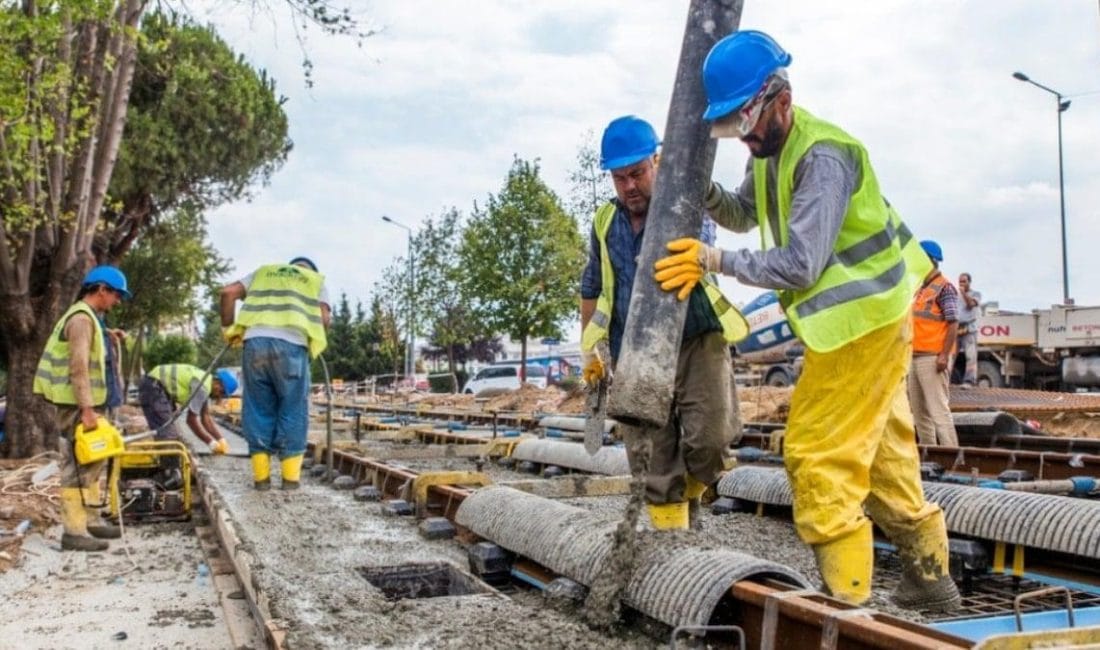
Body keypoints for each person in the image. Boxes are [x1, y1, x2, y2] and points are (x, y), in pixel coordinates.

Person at [652, 30, 960, 610]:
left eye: (744, 125)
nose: (743, 140)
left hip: (862, 325)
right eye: (731, 129)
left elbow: (800, 263)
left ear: (780, 101)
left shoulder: (822, 157)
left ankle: (845, 605)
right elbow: (746, 213)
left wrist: (713, 260)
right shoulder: (773, 151)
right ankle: (931, 581)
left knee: (817, 453)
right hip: (859, 326)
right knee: (884, 459)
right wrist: (704, 190)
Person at [580, 115, 746, 531]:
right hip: (632, 349)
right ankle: (671, 541)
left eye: (637, 173)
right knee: (652, 456)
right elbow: (592, 285)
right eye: (620, 178)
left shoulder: (683, 205)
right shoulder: (604, 221)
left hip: (694, 337)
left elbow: (706, 234)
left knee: (710, 440)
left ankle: (693, 490)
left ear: (656, 161)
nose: (629, 186)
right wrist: (590, 351)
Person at [33, 266, 131, 551]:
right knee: (78, 464)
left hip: (97, 403)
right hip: (81, 407)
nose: (118, 301)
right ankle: (74, 531)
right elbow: (78, 367)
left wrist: (109, 334)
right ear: (101, 289)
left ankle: (91, 519)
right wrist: (87, 409)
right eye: (116, 295)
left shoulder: (92, 320)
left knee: (94, 461)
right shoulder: (80, 320)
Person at [220, 257, 330, 491]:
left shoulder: (264, 272)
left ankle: (261, 481)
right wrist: (312, 339)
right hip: (292, 347)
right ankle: (290, 482)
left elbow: (228, 293)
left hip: (255, 345)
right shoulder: (314, 280)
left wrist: (228, 330)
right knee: (292, 409)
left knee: (258, 408)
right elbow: (324, 318)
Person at [139, 364, 239, 486]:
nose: (219, 396)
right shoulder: (202, 387)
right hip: (154, 388)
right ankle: (168, 477)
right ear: (218, 383)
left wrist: (221, 439)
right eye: (222, 392)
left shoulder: (205, 382)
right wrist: (211, 443)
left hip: (155, 386)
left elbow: (205, 418)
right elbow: (191, 420)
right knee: (168, 434)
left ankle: (171, 474)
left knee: (169, 432)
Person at [909, 241, 960, 447]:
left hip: (932, 358)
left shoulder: (944, 288)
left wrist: (944, 355)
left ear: (929, 260)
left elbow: (953, 323)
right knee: (920, 414)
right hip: (914, 356)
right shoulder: (919, 289)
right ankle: (929, 457)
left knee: (938, 412)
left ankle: (952, 457)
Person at [956, 272, 982, 386]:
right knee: (951, 356)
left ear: (969, 282)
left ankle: (969, 381)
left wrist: (963, 293)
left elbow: (970, 304)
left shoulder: (976, 294)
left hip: (969, 329)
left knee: (970, 356)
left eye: (964, 281)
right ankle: (945, 380)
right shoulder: (956, 295)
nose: (961, 284)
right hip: (957, 328)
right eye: (960, 281)